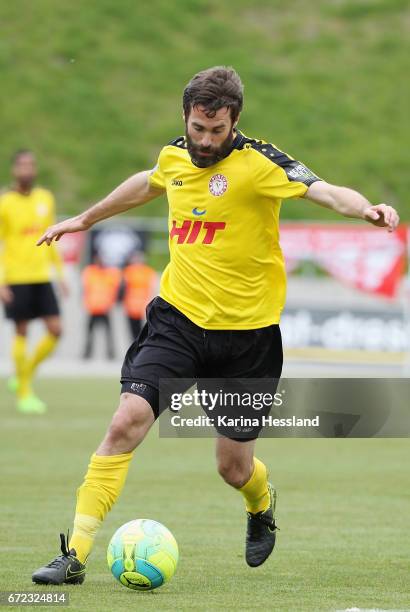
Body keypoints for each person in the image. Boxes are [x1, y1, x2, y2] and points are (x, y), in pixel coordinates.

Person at [31, 66, 400, 584]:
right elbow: (149, 181)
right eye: (197, 129)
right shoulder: (174, 153)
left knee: (233, 468)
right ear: (186, 117)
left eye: (216, 131)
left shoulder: (261, 164)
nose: (204, 142)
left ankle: (261, 504)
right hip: (177, 321)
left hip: (248, 340)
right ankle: (75, 556)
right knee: (125, 424)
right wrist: (84, 219)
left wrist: (367, 211)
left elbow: (325, 191)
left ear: (235, 122)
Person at [0, 150, 67, 414]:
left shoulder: (45, 198)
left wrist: (60, 275)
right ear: (14, 170)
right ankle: (25, 391)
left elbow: (51, 238)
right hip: (16, 276)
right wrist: (2, 281)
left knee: (56, 330)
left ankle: (23, 373)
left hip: (42, 275)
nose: (27, 169)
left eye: (31, 164)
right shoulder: (5, 203)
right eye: (22, 165)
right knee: (22, 331)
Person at [82, 254, 121, 360]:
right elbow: (86, 288)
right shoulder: (90, 272)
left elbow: (114, 288)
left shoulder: (109, 273)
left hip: (104, 307)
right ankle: (87, 352)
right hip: (94, 307)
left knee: (108, 333)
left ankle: (110, 352)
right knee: (90, 332)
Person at [122, 251, 157, 341]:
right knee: (137, 331)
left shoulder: (130, 271)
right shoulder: (146, 271)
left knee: (137, 331)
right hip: (137, 305)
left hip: (139, 305)